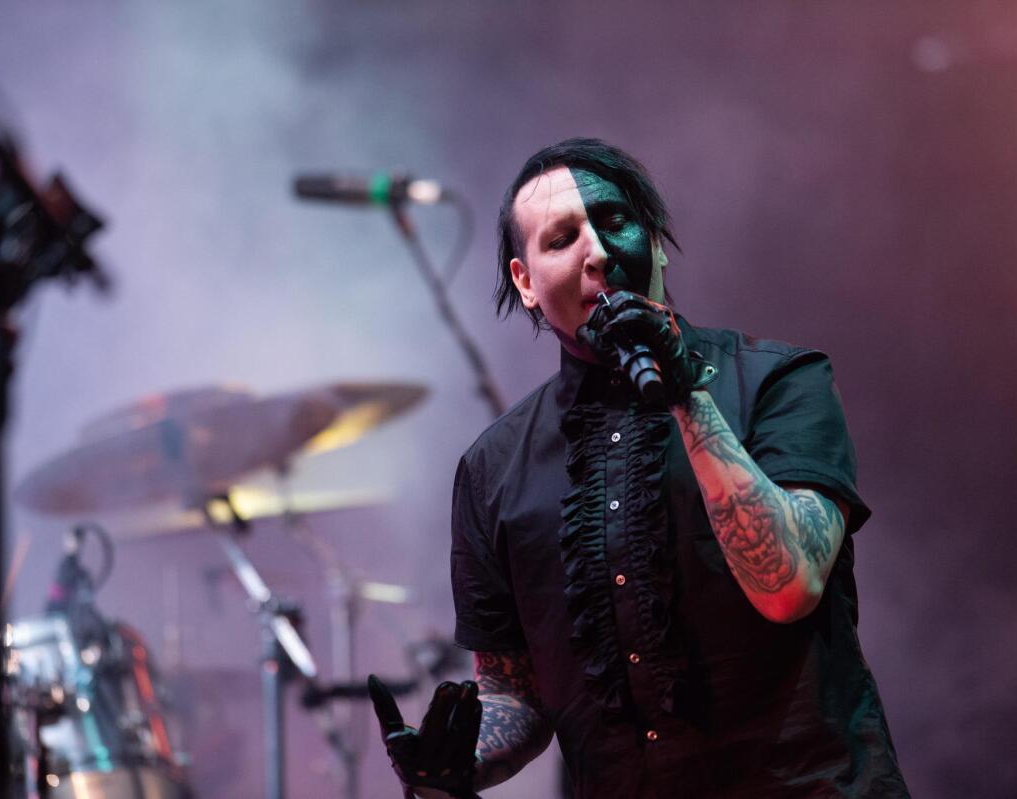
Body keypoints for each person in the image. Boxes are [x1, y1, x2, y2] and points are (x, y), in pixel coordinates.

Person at [370, 138, 909, 798]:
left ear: (654, 242)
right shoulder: (493, 469)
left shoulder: (779, 381)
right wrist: (455, 764)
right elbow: (514, 691)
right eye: (562, 238)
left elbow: (789, 584)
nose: (597, 252)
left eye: (616, 221)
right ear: (525, 281)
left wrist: (686, 392)